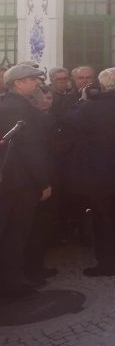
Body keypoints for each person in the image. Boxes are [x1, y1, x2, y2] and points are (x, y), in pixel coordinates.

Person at [61, 67, 115, 276]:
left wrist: (82, 100)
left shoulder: (91, 108)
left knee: (103, 219)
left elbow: (69, 121)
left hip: (99, 175)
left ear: (102, 85)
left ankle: (107, 264)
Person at [0, 64, 53, 298]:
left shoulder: (11, 104)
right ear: (18, 82)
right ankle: (11, 285)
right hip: (19, 183)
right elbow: (30, 149)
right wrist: (43, 182)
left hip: (14, 181)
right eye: (32, 79)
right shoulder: (17, 108)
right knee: (15, 235)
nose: (37, 83)